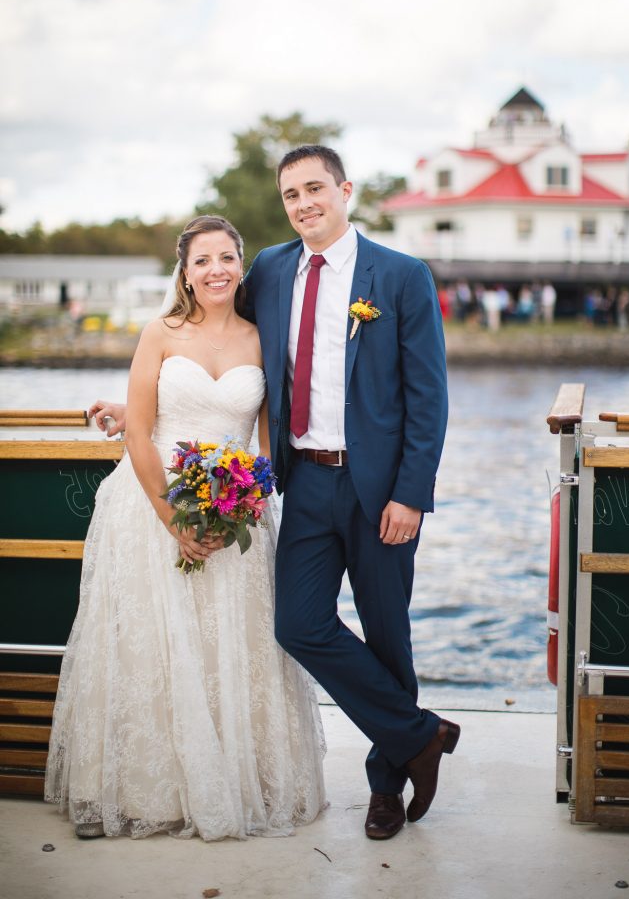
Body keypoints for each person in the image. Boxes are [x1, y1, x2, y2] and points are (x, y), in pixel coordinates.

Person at [92, 145, 458, 842]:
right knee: (297, 625)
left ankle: (387, 785)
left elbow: (428, 398)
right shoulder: (270, 268)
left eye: (315, 188)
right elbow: (211, 337)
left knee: (387, 635)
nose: (303, 203)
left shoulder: (402, 276)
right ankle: (419, 735)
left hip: (381, 489)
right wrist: (138, 405)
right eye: (291, 194)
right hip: (304, 480)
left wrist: (410, 494)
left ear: (345, 190)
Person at [46, 216, 326, 841]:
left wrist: (250, 502)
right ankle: (135, 790)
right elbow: (140, 431)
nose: (216, 270)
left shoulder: (260, 338)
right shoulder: (160, 333)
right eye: (202, 261)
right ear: (186, 271)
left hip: (236, 516)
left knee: (229, 647)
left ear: (240, 265)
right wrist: (173, 518)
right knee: (150, 646)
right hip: (151, 507)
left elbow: (266, 439)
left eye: (227, 257)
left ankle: (232, 780)